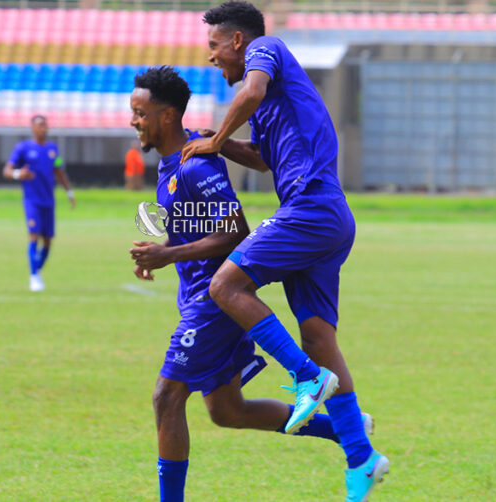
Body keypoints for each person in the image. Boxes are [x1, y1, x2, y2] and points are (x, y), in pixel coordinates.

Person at [129, 66, 373, 502]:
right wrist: (161, 251)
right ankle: (346, 429)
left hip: (214, 301)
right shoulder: (171, 165)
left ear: (167, 116)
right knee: (226, 410)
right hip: (198, 296)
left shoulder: (195, 166)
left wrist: (169, 255)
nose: (134, 121)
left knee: (166, 397)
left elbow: (234, 231)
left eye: (140, 113)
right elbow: (197, 230)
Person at [180, 2, 389, 500]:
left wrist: (218, 137)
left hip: (311, 207)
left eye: (214, 46)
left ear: (238, 41)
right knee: (317, 337)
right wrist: (217, 142)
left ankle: (305, 379)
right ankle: (361, 457)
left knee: (225, 286)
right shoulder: (272, 102)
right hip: (326, 216)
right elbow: (262, 159)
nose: (211, 57)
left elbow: (251, 91)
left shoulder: (266, 49)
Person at [3, 115, 75, 292]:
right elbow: (7, 170)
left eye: (45, 125)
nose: (44, 128)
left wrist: (69, 192)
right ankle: (34, 276)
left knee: (48, 241)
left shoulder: (52, 149)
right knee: (34, 235)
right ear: (33, 128)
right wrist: (19, 174)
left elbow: (59, 171)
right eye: (40, 125)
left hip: (48, 201)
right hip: (32, 201)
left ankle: (36, 270)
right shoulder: (23, 148)